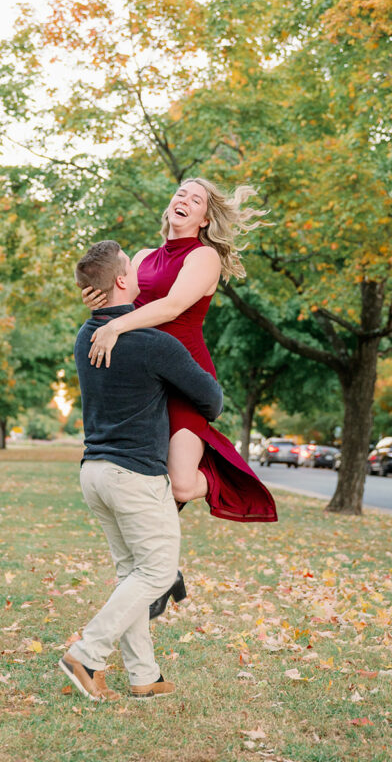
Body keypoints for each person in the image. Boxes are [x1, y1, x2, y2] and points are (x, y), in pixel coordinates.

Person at [59, 239, 224, 702]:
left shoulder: (86, 335)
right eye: (131, 268)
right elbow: (212, 400)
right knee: (157, 572)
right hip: (134, 476)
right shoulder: (154, 344)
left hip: (94, 472)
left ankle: (143, 675)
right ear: (121, 280)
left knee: (132, 573)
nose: (140, 273)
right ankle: (86, 654)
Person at [84, 177, 277, 525]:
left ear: (205, 219)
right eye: (180, 194)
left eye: (196, 200)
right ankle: (150, 555)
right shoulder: (142, 257)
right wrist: (97, 302)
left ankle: (220, 472)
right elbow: (122, 303)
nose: (184, 200)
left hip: (185, 376)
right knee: (146, 481)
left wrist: (114, 327)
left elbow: (173, 307)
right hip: (145, 378)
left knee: (182, 486)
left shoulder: (204, 256)